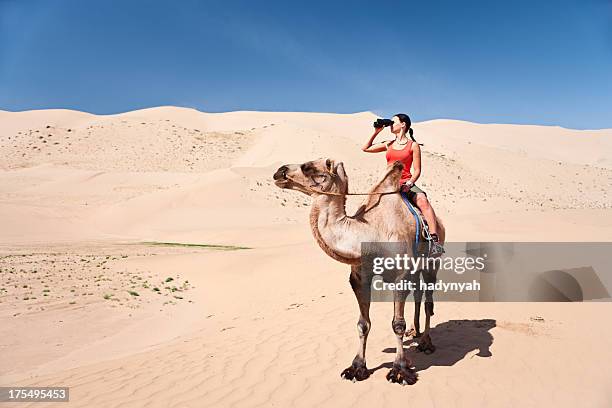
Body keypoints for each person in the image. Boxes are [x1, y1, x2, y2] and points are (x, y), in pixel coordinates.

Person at [361, 113, 444, 257]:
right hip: (388, 184)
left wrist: (410, 183)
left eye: (393, 122)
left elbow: (417, 170)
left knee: (423, 201)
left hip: (406, 183)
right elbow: (365, 148)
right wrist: (376, 132)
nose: (390, 125)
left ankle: (434, 242)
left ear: (403, 124)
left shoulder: (413, 146)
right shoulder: (389, 144)